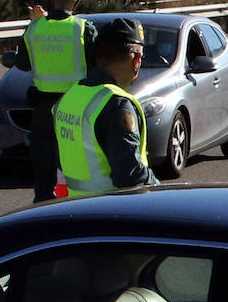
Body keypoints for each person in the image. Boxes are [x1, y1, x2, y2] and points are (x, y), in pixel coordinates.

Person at [53, 17, 159, 197]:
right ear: (136, 60)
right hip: (111, 211)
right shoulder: (116, 104)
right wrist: (161, 190)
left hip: (73, 209)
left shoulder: (70, 97)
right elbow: (131, 176)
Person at [14, 0, 98, 202]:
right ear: (77, 3)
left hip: (42, 109)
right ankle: (71, 206)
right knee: (73, 164)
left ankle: (43, 207)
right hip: (74, 108)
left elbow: (21, 63)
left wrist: (36, 22)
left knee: (43, 163)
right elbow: (97, 67)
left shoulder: (34, 29)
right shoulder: (83, 29)